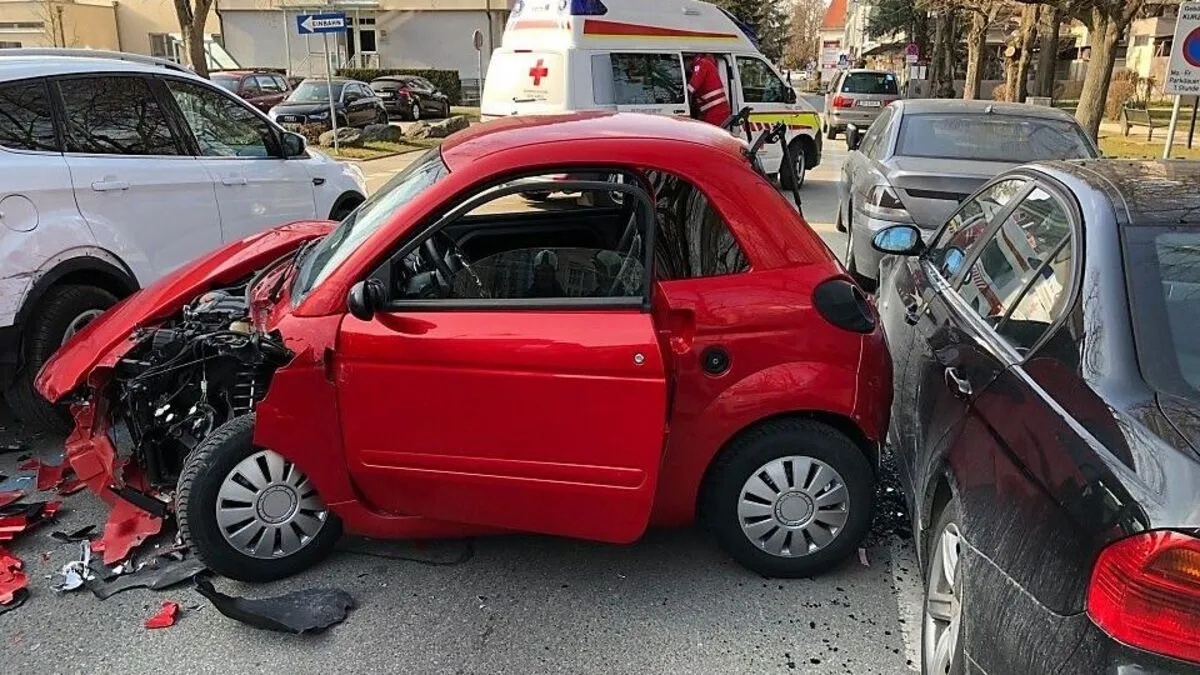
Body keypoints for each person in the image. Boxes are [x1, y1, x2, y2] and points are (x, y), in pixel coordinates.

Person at [687, 54, 731, 126]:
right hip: (715, 110)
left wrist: (683, 95)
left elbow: (693, 85)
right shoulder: (707, 63)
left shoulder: (701, 63)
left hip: (716, 112)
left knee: (709, 135)